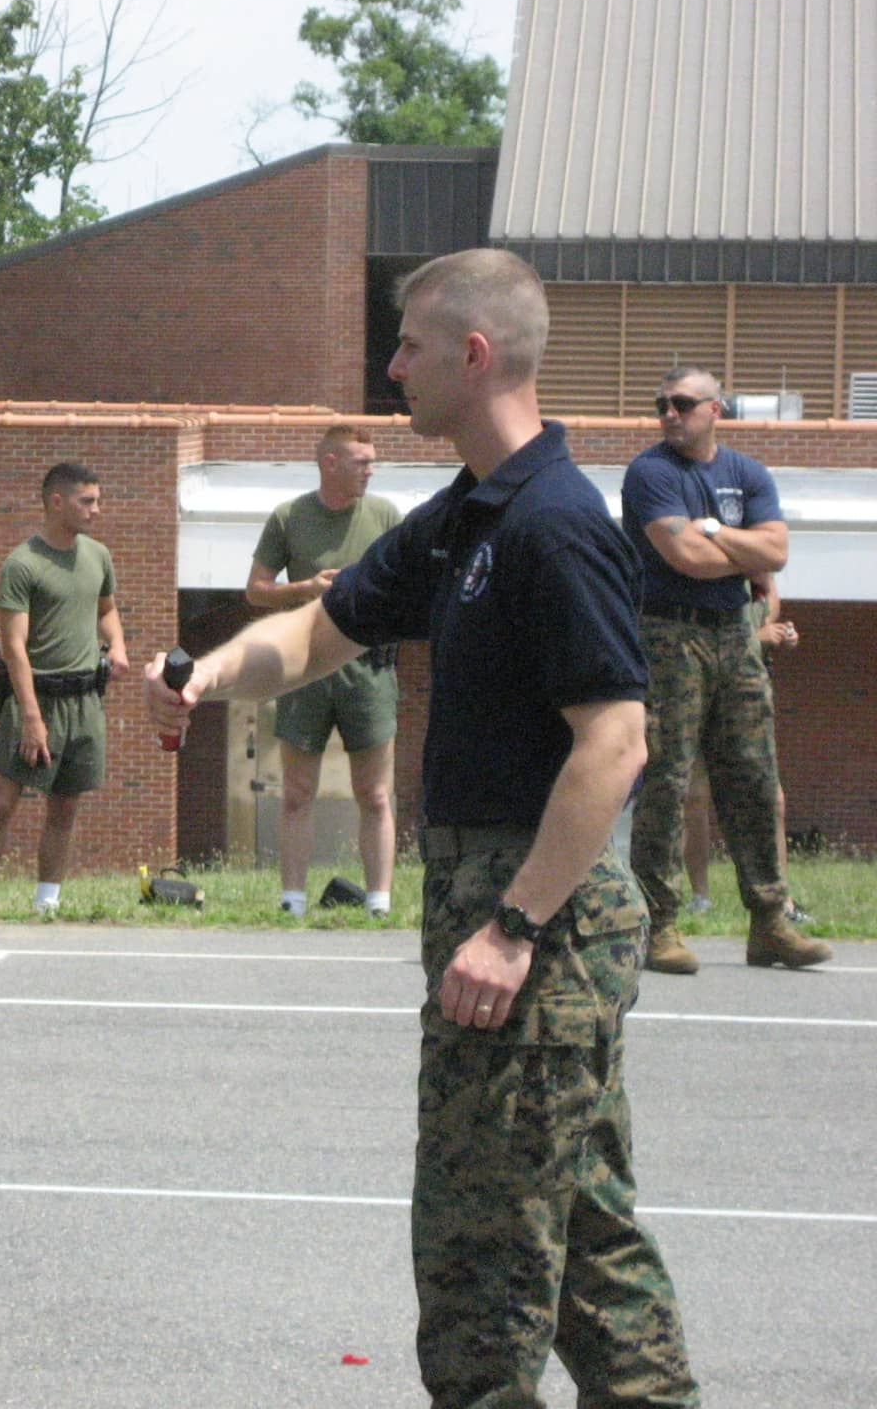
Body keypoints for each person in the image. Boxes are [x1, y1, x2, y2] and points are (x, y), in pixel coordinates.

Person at [148, 249, 698, 1407]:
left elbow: (617, 743)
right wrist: (200, 675)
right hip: (507, 914)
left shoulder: (553, 525)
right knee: (592, 1253)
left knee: (479, 1269)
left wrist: (510, 928)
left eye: (406, 345)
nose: (391, 366)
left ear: (476, 355)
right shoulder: (466, 517)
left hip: (535, 929)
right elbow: (313, 636)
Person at [620, 369, 828, 974]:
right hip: (667, 633)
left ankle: (770, 922)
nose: (669, 414)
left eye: (682, 404)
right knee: (667, 779)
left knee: (754, 777)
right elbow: (683, 556)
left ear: (717, 410)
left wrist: (715, 533)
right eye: (661, 405)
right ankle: (657, 925)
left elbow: (779, 554)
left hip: (736, 633)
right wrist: (738, 547)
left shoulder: (747, 473)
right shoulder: (651, 472)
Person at [0, 463, 130, 917]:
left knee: (65, 805)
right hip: (37, 698)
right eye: (86, 501)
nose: (96, 510)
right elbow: (13, 647)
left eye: (97, 499)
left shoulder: (98, 556)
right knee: (2, 801)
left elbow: (106, 608)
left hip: (85, 699)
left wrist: (119, 645)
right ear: (57, 502)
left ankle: (47, 901)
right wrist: (31, 717)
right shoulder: (23, 563)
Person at [245, 426, 401, 918]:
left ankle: (379, 902)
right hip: (306, 669)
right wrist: (307, 587)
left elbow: (409, 586)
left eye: (372, 462)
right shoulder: (289, 517)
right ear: (328, 463)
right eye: (361, 462)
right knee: (296, 792)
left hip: (368, 669)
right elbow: (256, 590)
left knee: (374, 793)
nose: (370, 471)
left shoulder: (386, 516)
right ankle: (292, 901)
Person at [680, 577, 805, 918]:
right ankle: (699, 897)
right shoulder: (714, 577)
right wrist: (758, 638)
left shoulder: (763, 583)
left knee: (771, 798)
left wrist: (781, 635)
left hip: (748, 694)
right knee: (695, 797)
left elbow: (766, 622)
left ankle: (781, 901)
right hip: (703, 691)